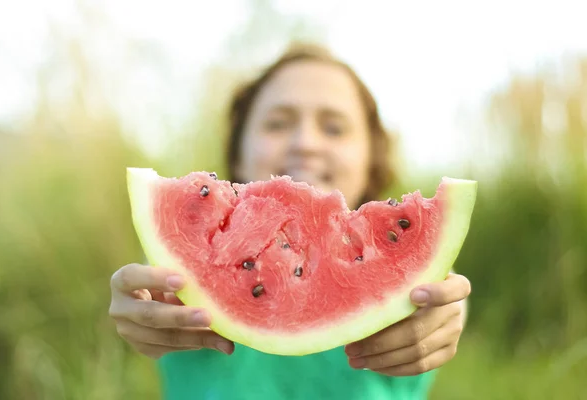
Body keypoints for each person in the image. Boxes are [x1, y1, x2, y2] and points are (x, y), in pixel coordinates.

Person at [109, 42, 471, 400]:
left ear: (370, 157)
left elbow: (446, 301)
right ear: (238, 149)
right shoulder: (179, 278)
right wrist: (143, 312)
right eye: (278, 124)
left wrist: (444, 320)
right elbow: (153, 298)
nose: (305, 143)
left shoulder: (416, 281)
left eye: (334, 128)